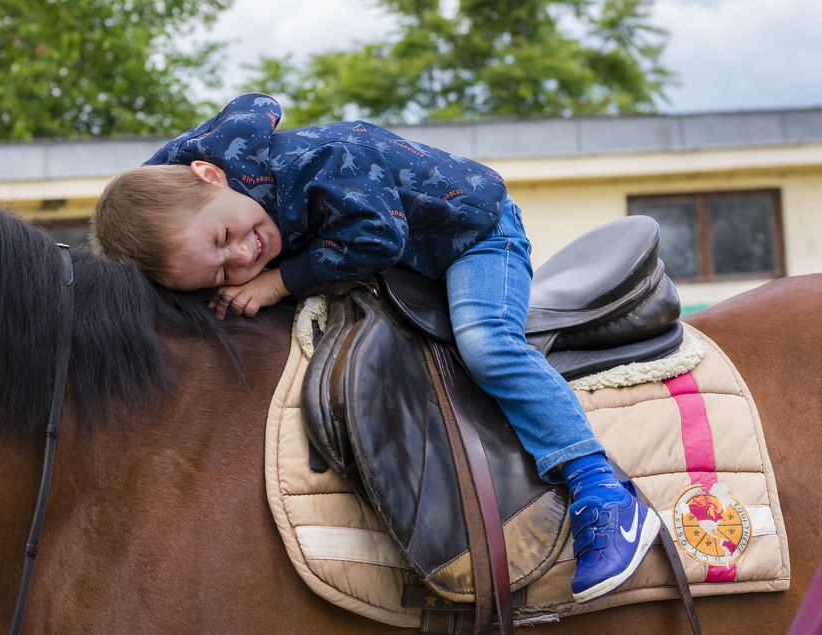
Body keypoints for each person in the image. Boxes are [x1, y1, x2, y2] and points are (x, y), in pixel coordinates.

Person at [90, 93, 660, 602]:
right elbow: (149, 197)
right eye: (219, 273)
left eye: (224, 237)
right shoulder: (206, 195)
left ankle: (601, 490)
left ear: (211, 175)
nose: (241, 258)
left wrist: (278, 282)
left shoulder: (322, 163)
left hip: (473, 239)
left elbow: (378, 235)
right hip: (401, 260)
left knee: (487, 346)